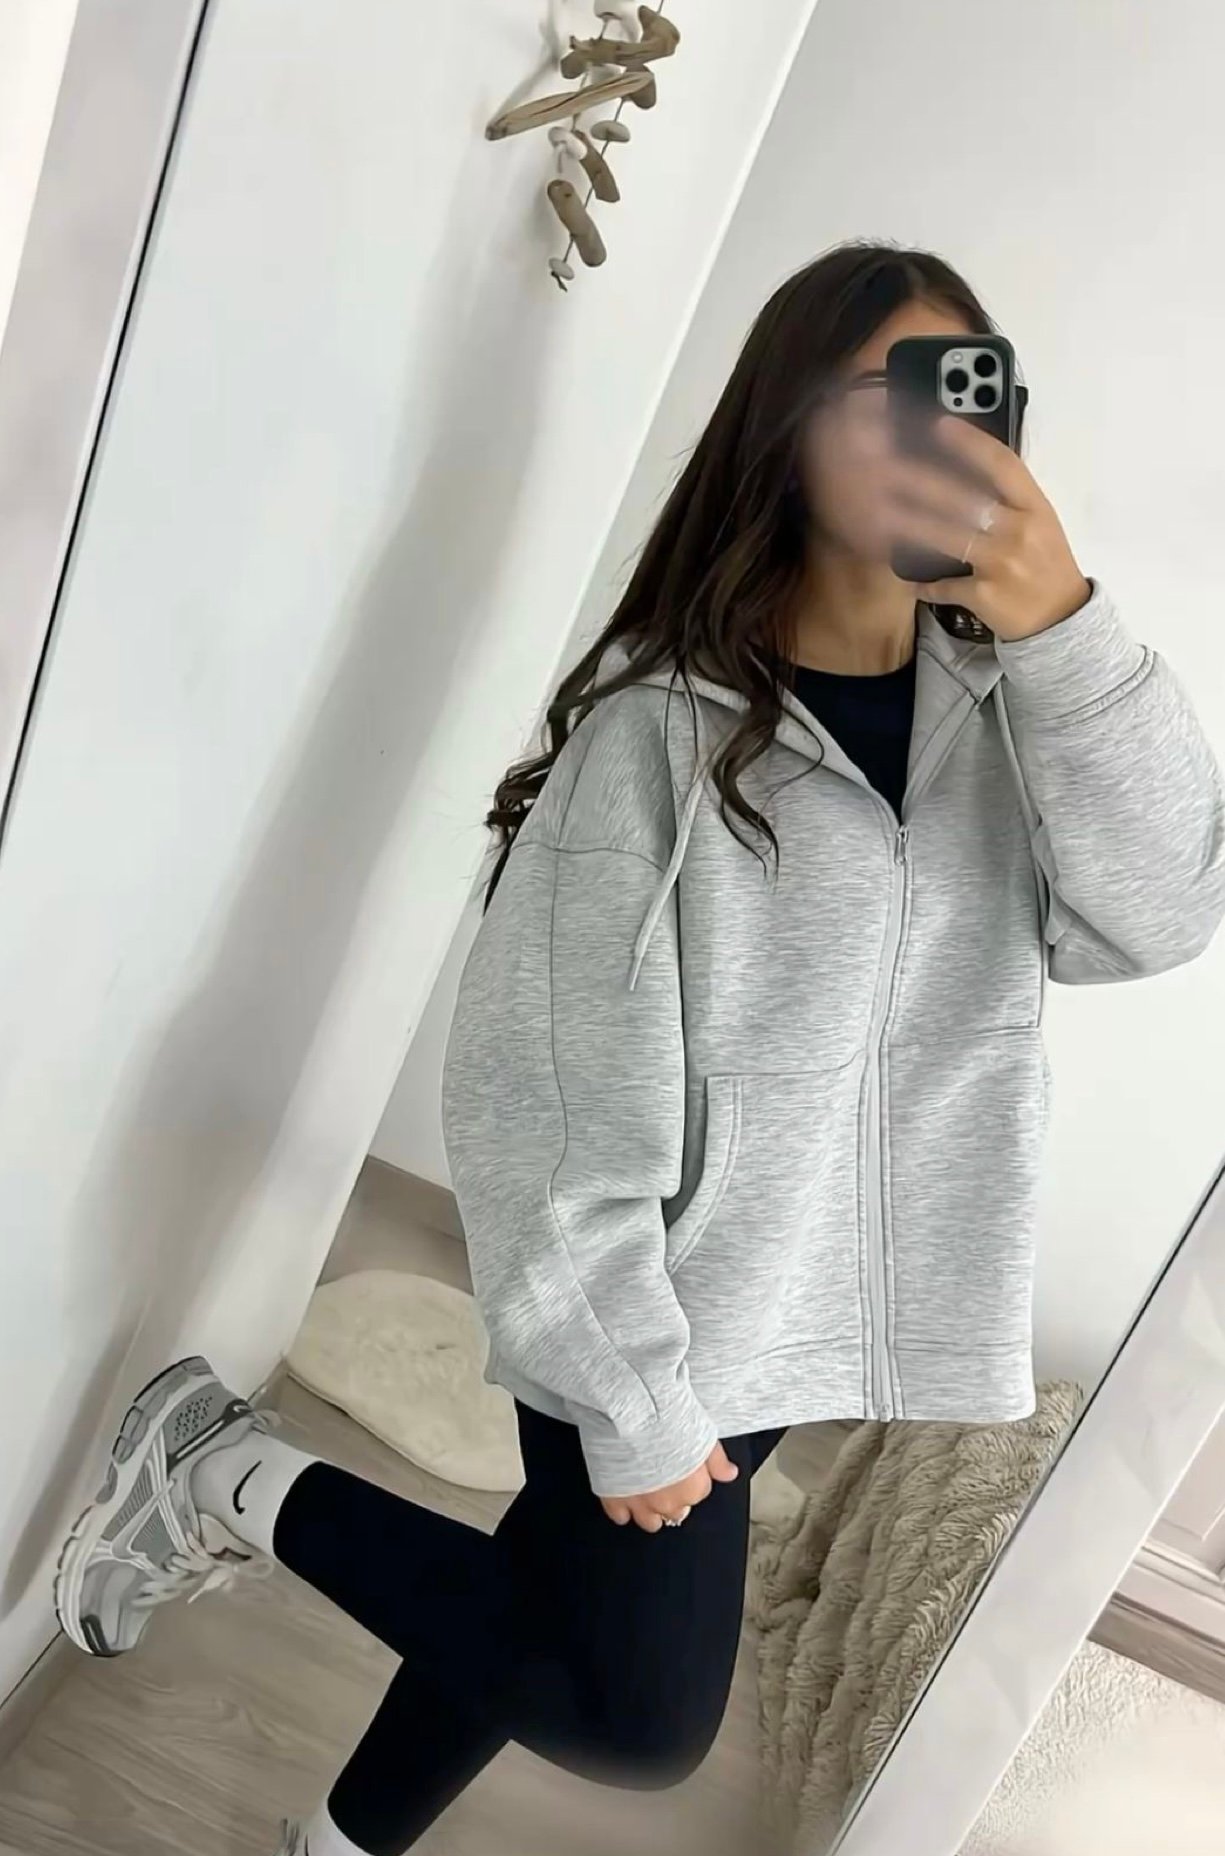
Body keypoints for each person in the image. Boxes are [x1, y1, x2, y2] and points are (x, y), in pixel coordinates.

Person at [54, 243, 1225, 1855]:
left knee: (551, 1600)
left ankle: (336, 1841)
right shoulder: (659, 736)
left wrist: (1066, 631)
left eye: (960, 397)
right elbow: (536, 1103)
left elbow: (1157, 915)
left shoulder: (1012, 712)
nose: (932, 440)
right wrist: (635, 1399)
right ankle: (226, 1470)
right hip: (652, 1304)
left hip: (793, 1306)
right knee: (632, 1712)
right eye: (882, 400)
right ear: (787, 432)